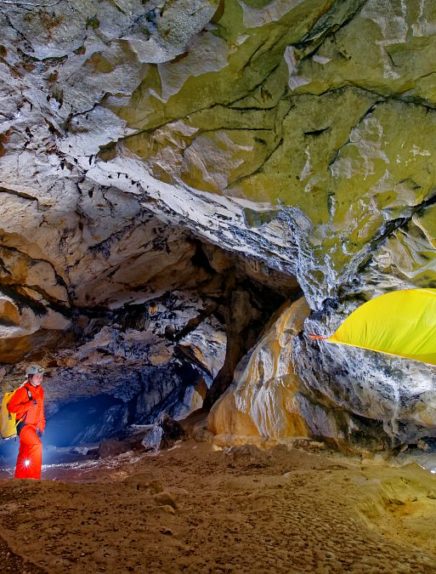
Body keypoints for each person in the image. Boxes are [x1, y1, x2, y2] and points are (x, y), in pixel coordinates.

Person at [7, 365, 46, 479]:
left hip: (34, 427)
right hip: (24, 426)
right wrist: (28, 405)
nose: (40, 378)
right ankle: (34, 478)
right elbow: (11, 407)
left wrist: (42, 426)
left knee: (24, 451)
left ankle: (20, 478)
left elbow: (40, 410)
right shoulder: (22, 391)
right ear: (30, 377)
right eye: (37, 376)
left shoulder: (40, 391)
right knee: (36, 445)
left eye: (41, 376)